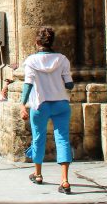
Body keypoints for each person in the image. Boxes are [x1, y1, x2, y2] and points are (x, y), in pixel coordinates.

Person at [20, 26, 74, 194]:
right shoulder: (63, 59)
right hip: (61, 104)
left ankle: (38, 174)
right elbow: (69, 84)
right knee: (63, 139)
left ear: (37, 43)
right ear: (52, 42)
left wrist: (22, 104)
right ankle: (64, 180)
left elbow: (28, 84)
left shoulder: (31, 61)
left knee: (38, 138)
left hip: (40, 105)